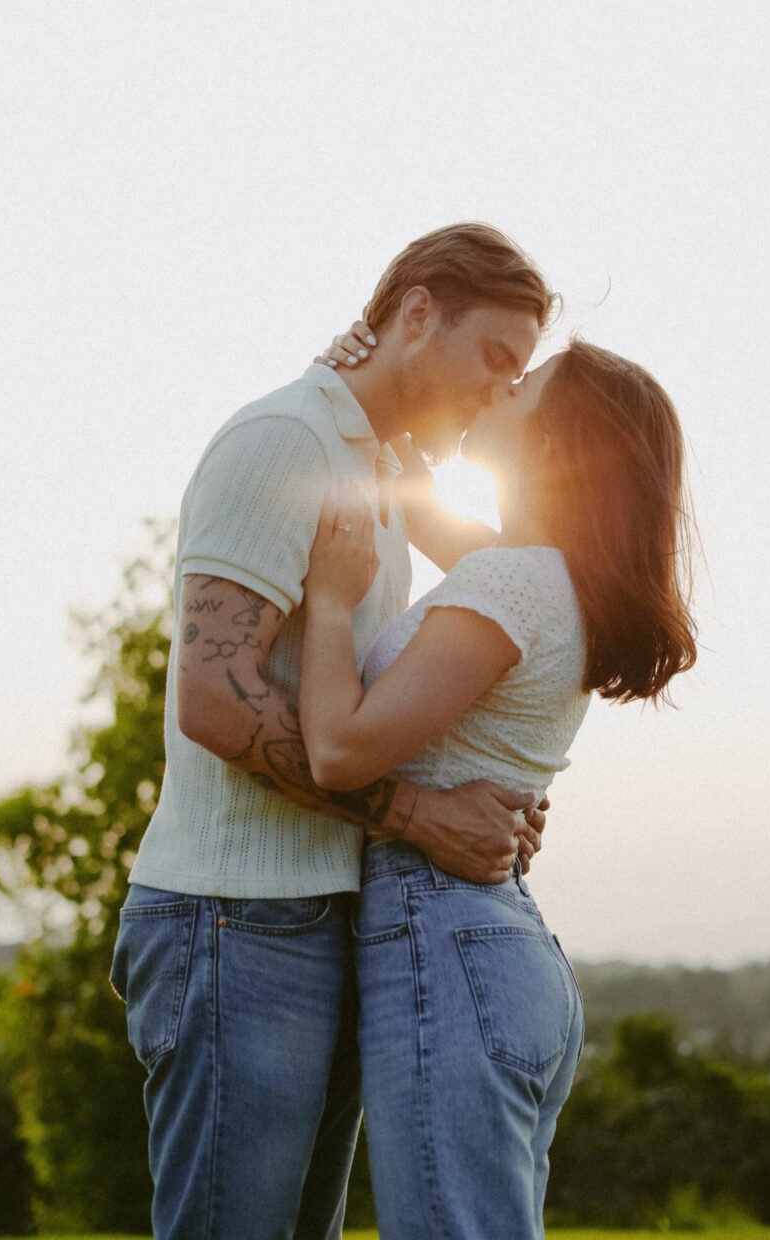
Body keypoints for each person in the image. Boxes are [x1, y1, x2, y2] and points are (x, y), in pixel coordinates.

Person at [109, 224, 558, 1240]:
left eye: (518, 375)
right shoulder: (285, 442)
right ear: (413, 312)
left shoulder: (379, 462)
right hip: (233, 922)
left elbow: (517, 577)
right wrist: (420, 813)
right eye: (492, 359)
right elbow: (213, 700)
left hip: (317, 914)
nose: (498, 390)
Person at [298, 332, 698, 1240]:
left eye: (523, 383)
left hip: (447, 940)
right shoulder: (550, 576)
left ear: (552, 442)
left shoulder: (514, 584)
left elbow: (339, 752)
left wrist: (328, 603)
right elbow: (431, 515)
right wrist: (358, 388)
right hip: (493, 948)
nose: (501, 386)